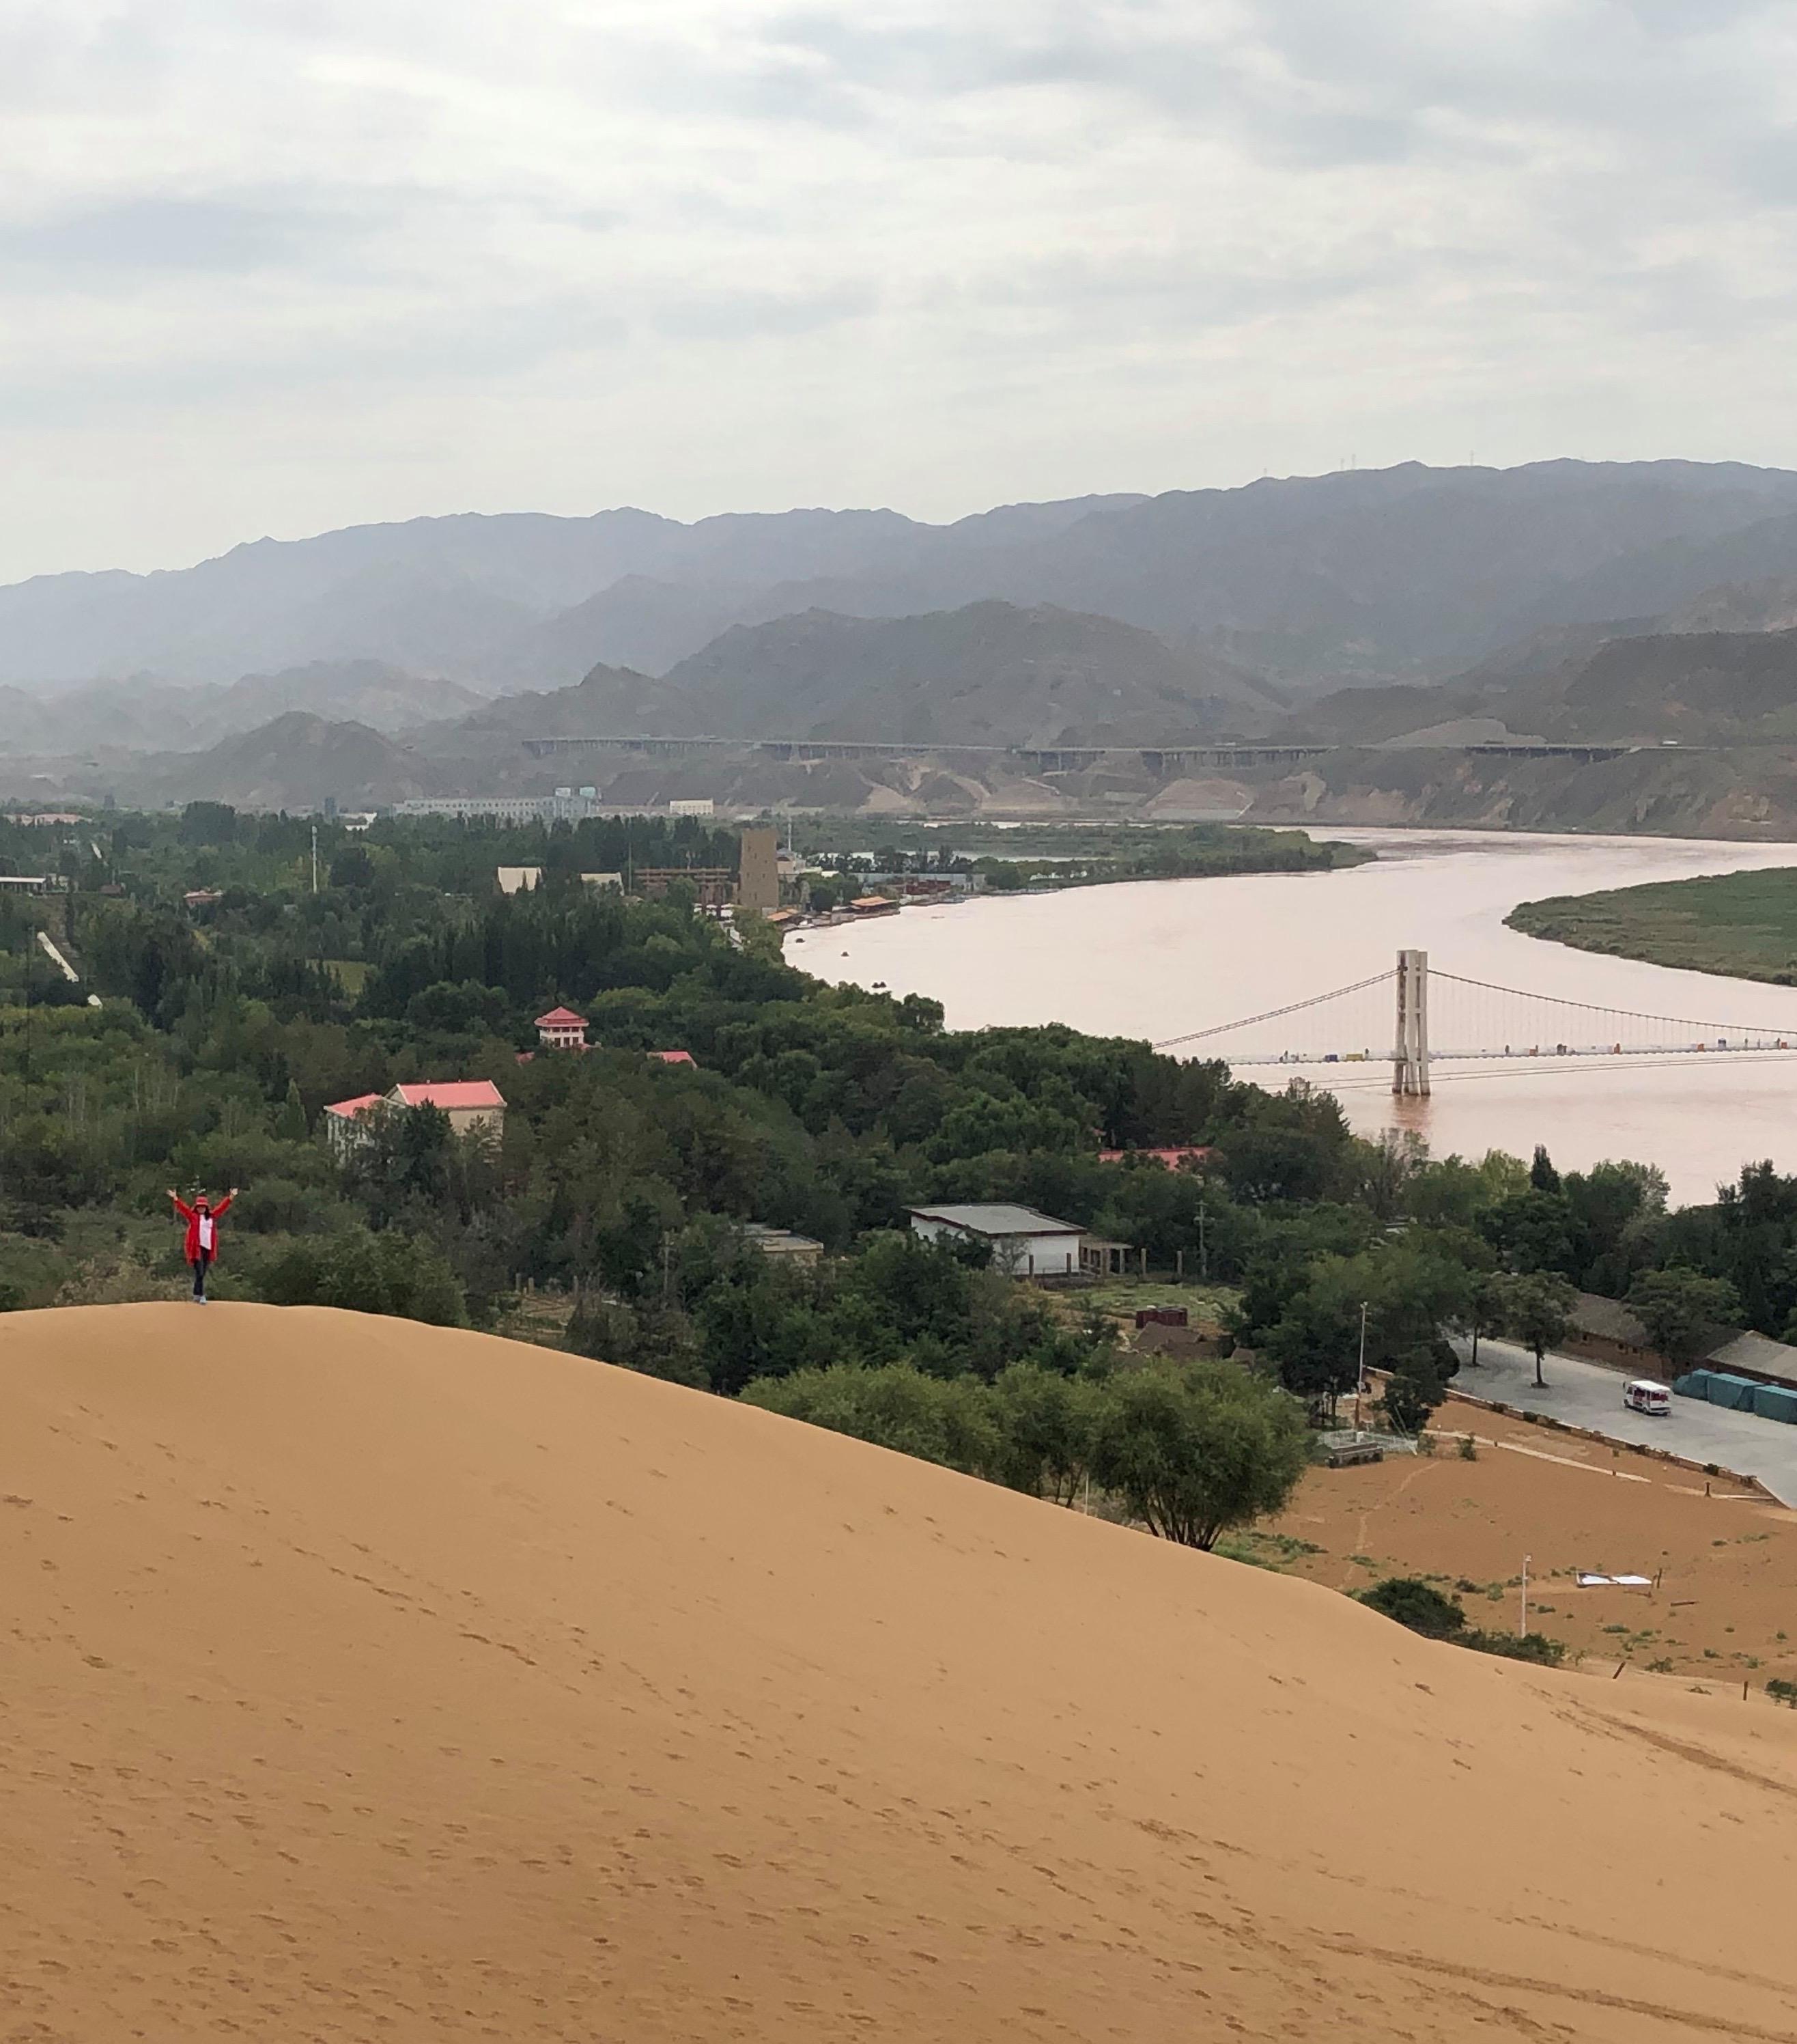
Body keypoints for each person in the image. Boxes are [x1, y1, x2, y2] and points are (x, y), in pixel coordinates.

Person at [167, 1187, 238, 1302]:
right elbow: (184, 1209)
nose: (201, 1208)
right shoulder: (193, 1217)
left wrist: (231, 1197)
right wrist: (176, 1198)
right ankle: (201, 1296)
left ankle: (196, 1294)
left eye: (203, 1207)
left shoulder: (211, 1217)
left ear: (206, 1208)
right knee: (199, 1271)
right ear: (197, 1207)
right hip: (196, 1248)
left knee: (202, 1273)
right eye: (199, 1207)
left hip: (207, 1248)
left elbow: (222, 1208)